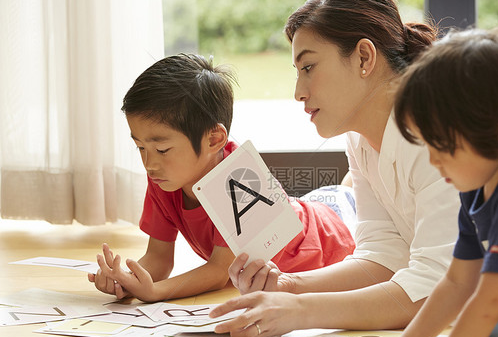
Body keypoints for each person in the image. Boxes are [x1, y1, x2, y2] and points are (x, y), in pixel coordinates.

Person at [209, 0, 460, 337]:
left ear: (363, 58)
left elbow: (434, 289)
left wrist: (299, 312)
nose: (298, 92)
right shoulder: (359, 139)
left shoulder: (435, 131)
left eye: (308, 67)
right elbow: (384, 256)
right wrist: (288, 286)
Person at [347, 27, 498, 337]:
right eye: (427, 144)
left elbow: (490, 301)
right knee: (480, 331)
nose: (433, 160)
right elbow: (458, 281)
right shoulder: (476, 186)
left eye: (444, 146)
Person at [87, 54, 356, 302]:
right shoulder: (164, 176)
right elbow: (158, 259)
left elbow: (219, 272)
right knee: (335, 193)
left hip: (330, 234)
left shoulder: (234, 179)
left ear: (214, 139)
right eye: (140, 148)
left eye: (162, 149)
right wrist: (127, 280)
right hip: (303, 211)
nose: (149, 163)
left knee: (350, 196)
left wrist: (155, 291)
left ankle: (353, 177)